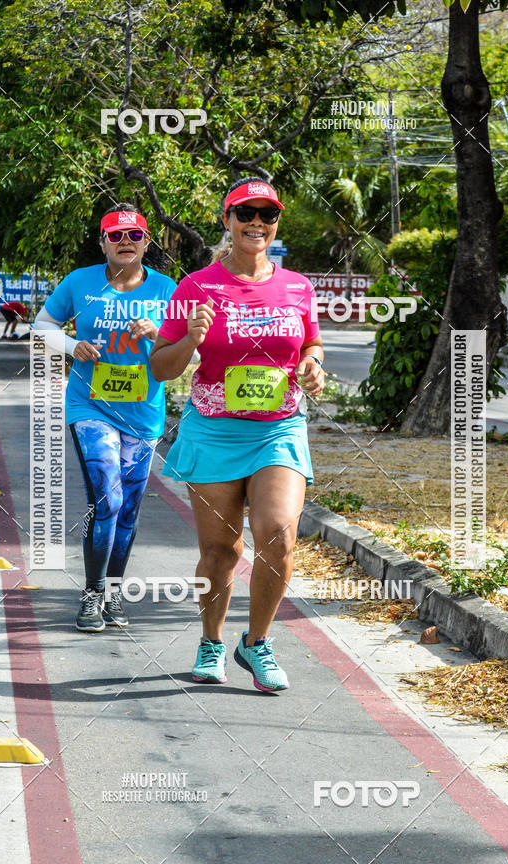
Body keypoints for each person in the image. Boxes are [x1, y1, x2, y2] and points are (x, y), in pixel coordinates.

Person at [150, 177, 324, 691]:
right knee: (221, 551)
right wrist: (194, 340)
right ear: (226, 220)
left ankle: (257, 642)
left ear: (276, 224)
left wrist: (313, 365)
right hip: (214, 432)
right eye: (244, 212)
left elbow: (311, 344)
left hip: (279, 429)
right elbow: (160, 367)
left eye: (266, 215)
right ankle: (211, 640)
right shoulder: (195, 287)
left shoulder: (297, 286)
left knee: (278, 533)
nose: (256, 222)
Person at [34, 204, 176, 632]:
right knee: (107, 498)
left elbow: (192, 348)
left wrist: (157, 333)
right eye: (115, 236)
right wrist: (70, 345)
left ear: (147, 242)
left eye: (134, 235)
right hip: (90, 405)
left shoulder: (167, 288)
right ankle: (93, 592)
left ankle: (113, 591)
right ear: (102, 243)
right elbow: (41, 327)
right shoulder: (79, 282)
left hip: (144, 412)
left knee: (128, 509)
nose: (125, 242)